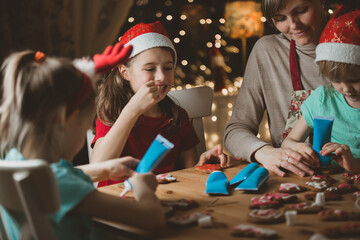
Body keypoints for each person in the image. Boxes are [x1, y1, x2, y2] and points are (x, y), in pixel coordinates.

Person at [0, 45, 166, 239]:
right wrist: (143, 189)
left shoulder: (14, 160)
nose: (88, 130)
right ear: (64, 120)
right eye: (86, 123)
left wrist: (104, 170)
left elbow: (48, 179)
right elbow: (153, 219)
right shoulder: (64, 186)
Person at [91, 21, 240, 187]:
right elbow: (97, 168)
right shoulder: (111, 112)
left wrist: (204, 163)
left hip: (165, 201)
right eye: (150, 69)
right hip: (116, 202)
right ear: (125, 73)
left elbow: (189, 173)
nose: (161, 77)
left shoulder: (177, 116)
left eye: (168, 68)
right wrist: (132, 110)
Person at [224, 0, 328, 177]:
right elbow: (235, 130)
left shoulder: (352, 46)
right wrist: (265, 152)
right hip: (292, 179)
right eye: (280, 18)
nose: (293, 25)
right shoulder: (267, 51)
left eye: (301, 11)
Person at [282, 5, 360, 172]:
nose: (346, 88)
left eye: (354, 80)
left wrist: (355, 165)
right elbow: (289, 142)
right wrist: (301, 149)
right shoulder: (323, 99)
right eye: (335, 80)